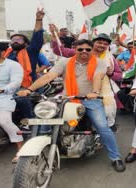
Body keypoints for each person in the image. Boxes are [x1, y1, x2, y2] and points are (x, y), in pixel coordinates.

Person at [17, 39, 126, 172]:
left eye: (87, 49)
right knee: (43, 119)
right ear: (75, 50)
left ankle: (116, 158)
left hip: (90, 99)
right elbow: (48, 76)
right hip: (67, 98)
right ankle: (33, 156)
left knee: (103, 127)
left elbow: (98, 77)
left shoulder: (100, 62)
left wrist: (95, 92)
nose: (84, 51)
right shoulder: (65, 62)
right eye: (80, 49)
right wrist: (29, 90)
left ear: (92, 50)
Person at [50, 29, 122, 127]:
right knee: (56, 112)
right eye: (99, 42)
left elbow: (119, 76)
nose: (102, 45)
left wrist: (111, 73)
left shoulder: (110, 58)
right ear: (93, 43)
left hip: (102, 94)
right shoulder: (82, 52)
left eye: (105, 44)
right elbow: (60, 51)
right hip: (77, 91)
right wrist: (55, 37)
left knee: (106, 121)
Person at [6, 8, 45, 120]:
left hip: (25, 86)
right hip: (6, 85)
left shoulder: (30, 51)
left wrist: (38, 20)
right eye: (13, 40)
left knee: (21, 98)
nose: (16, 41)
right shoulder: (6, 54)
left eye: (19, 39)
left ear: (26, 43)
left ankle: (30, 121)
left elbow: (37, 37)